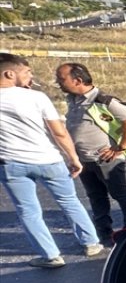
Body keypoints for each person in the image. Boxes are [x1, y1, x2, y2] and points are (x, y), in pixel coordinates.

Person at [0, 53, 102, 267]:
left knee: (28, 210)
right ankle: (91, 243)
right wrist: (73, 158)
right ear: (10, 73)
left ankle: (50, 256)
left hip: (10, 163)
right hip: (48, 160)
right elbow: (59, 132)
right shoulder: (37, 97)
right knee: (69, 201)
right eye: (27, 72)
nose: (31, 76)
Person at [55, 62, 126, 245]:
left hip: (105, 159)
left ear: (78, 80)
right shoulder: (73, 100)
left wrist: (120, 148)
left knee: (120, 193)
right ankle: (104, 233)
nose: (58, 83)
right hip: (84, 160)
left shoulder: (103, 100)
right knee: (96, 197)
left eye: (61, 79)